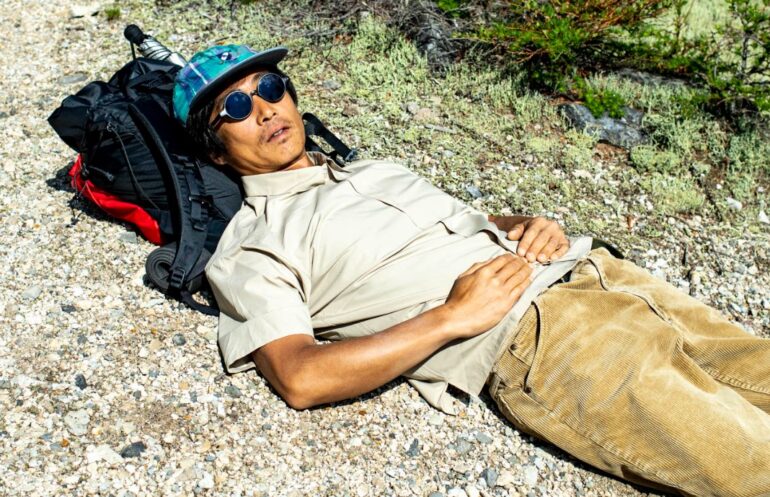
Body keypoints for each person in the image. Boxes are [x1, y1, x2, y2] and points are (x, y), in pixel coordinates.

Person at [172, 44, 770, 497]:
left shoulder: (369, 170)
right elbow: (300, 377)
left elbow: (461, 221)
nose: (266, 109)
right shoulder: (252, 246)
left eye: (271, 87)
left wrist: (526, 222)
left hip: (602, 275)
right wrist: (449, 320)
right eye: (236, 106)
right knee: (751, 460)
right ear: (215, 149)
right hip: (545, 342)